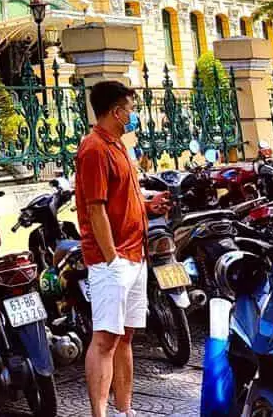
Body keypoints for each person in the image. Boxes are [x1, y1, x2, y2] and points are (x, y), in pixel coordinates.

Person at [75, 80, 171, 417]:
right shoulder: (94, 149)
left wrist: (149, 205)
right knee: (104, 340)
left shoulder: (119, 146)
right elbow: (95, 208)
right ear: (116, 111)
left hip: (135, 255)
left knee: (125, 337)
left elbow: (124, 198)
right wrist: (112, 257)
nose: (132, 114)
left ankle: (125, 410)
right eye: (129, 109)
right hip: (111, 261)